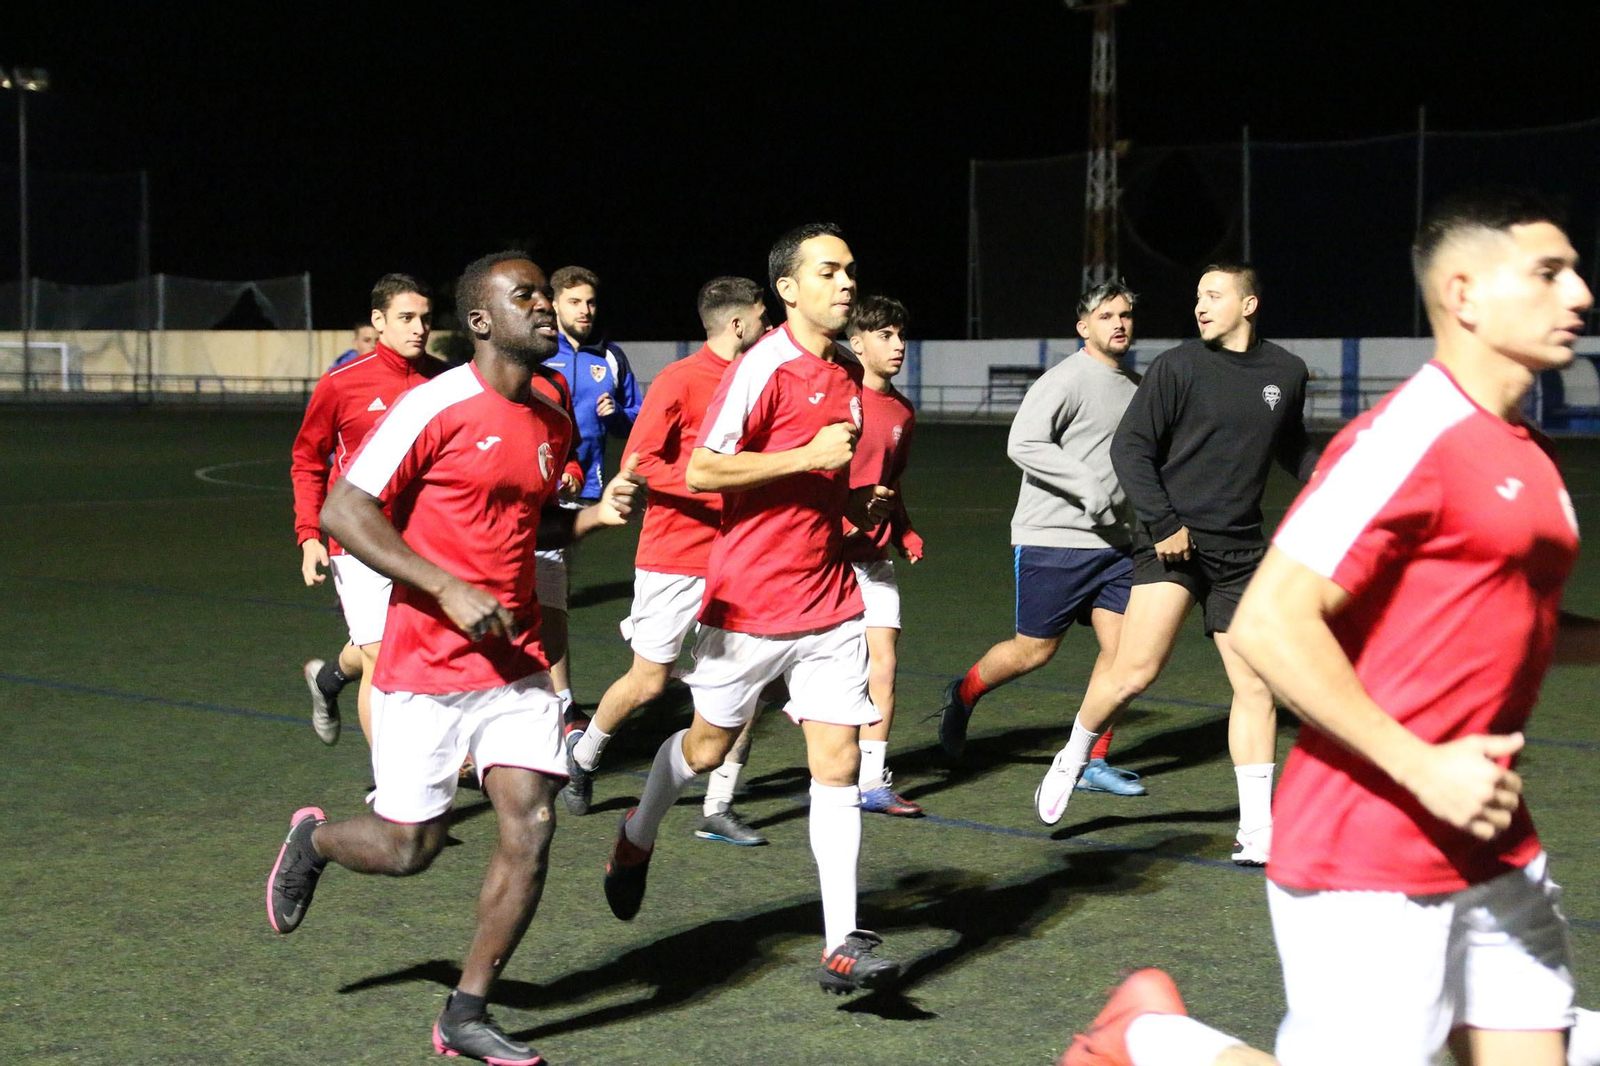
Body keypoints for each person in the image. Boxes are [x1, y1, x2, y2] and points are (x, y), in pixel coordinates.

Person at [1061, 190, 1598, 1066]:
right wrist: (1421, 763)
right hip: (1370, 848)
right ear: (1463, 294)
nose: (1577, 293)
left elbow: (1518, 620)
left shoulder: (1524, 451)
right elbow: (1272, 624)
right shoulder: (1406, 438)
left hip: (1495, 836)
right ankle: (1152, 1039)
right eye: (1548, 273)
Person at [265, 251, 645, 1066]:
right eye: (528, 296)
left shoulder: (549, 414)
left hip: (516, 663)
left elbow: (530, 526)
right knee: (412, 847)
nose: (546, 306)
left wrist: (592, 519)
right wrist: (446, 587)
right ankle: (317, 842)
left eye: (548, 294)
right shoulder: (432, 405)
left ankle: (465, 1013)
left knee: (533, 826)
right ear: (480, 321)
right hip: (427, 662)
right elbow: (345, 508)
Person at [600, 222, 902, 994]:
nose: (846, 284)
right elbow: (702, 468)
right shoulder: (762, 364)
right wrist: (807, 459)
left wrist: (856, 500)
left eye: (850, 271)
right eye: (829, 271)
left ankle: (842, 942)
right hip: (747, 602)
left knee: (835, 762)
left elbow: (819, 478)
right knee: (704, 752)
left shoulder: (841, 371)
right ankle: (636, 834)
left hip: (830, 600)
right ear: (788, 289)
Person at [1033, 263, 1316, 865]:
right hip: (1173, 543)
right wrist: (1164, 524)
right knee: (1134, 672)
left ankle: (1257, 833)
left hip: (1242, 551)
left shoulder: (1287, 372)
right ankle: (1075, 753)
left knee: (1255, 685)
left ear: (1250, 303)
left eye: (1213, 295)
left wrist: (1334, 477)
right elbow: (1129, 448)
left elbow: (1290, 445)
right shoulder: (1176, 367)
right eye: (1197, 296)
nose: (1200, 305)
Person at [562, 275, 772, 848]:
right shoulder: (681, 381)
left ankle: (719, 804)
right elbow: (639, 462)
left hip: (742, 560)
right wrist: (713, 487)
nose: (771, 324)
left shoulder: (763, 380)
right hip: (675, 557)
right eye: (763, 314)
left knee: (745, 684)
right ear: (736, 323)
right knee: (649, 682)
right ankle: (584, 757)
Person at [939, 280, 1144, 797]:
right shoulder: (1065, 379)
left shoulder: (1138, 387)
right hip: (1054, 539)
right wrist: (1091, 489)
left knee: (1123, 658)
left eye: (1124, 315)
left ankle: (1093, 760)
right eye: (1105, 316)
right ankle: (962, 695)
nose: (1117, 324)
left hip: (1117, 545)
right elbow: (1023, 442)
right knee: (1034, 652)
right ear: (1084, 327)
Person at [291, 274, 440, 748]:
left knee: (409, 646)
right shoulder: (341, 383)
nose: (418, 328)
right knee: (381, 655)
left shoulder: (447, 381)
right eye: (406, 318)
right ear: (379, 321)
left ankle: (329, 679)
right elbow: (307, 461)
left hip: (426, 538)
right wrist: (309, 534)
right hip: (356, 538)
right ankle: (389, 790)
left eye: (425, 318)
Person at [536, 266, 644, 714]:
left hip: (589, 486)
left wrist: (615, 413)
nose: (585, 310)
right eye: (575, 301)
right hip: (542, 485)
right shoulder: (538, 355)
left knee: (553, 591)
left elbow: (636, 420)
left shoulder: (611, 357)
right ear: (555, 304)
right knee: (547, 591)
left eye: (591, 302)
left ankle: (547, 692)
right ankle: (558, 700)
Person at [835, 293, 925, 815]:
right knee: (781, 676)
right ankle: (723, 788)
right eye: (885, 336)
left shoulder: (903, 411)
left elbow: (891, 484)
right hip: (823, 557)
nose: (898, 345)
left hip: (872, 558)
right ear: (858, 342)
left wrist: (904, 531)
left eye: (901, 335)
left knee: (884, 664)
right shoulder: (837, 402)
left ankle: (872, 781)